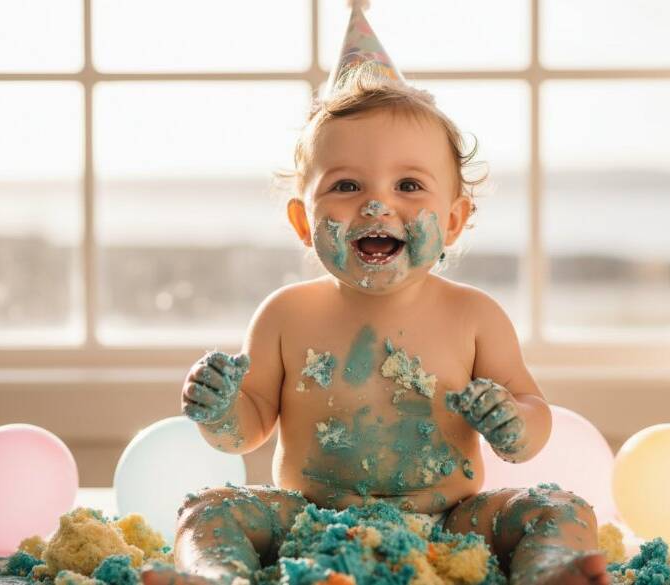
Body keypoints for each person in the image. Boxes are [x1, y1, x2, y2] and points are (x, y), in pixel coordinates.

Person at [143, 7, 609, 585]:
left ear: (456, 219)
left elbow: (530, 434)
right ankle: (218, 578)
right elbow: (252, 425)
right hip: (309, 522)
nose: (376, 204)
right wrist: (219, 413)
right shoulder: (286, 315)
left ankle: (550, 574)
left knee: (559, 508)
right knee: (208, 509)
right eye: (346, 185)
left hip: (452, 524)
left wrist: (511, 421)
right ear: (301, 219)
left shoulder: (474, 316)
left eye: (409, 185)